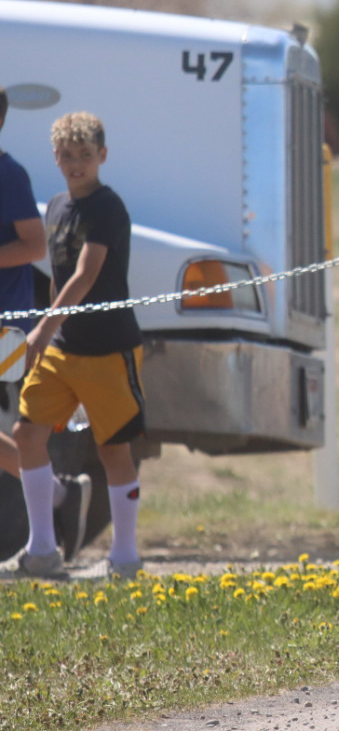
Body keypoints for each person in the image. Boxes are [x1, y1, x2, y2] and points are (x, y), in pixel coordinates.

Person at [8, 112, 145, 580]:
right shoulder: (57, 207)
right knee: (28, 436)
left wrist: (43, 327)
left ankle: (124, 559)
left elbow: (87, 273)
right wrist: (50, 333)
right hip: (62, 350)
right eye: (67, 156)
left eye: (86, 155)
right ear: (56, 158)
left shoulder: (107, 207)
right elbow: (60, 276)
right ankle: (42, 550)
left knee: (113, 451)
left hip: (108, 348)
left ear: (102, 156)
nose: (76, 164)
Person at [0, 89, 92, 566]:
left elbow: (33, 246)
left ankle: (56, 502)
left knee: (17, 427)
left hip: (5, 324)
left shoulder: (9, 174)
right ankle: (59, 496)